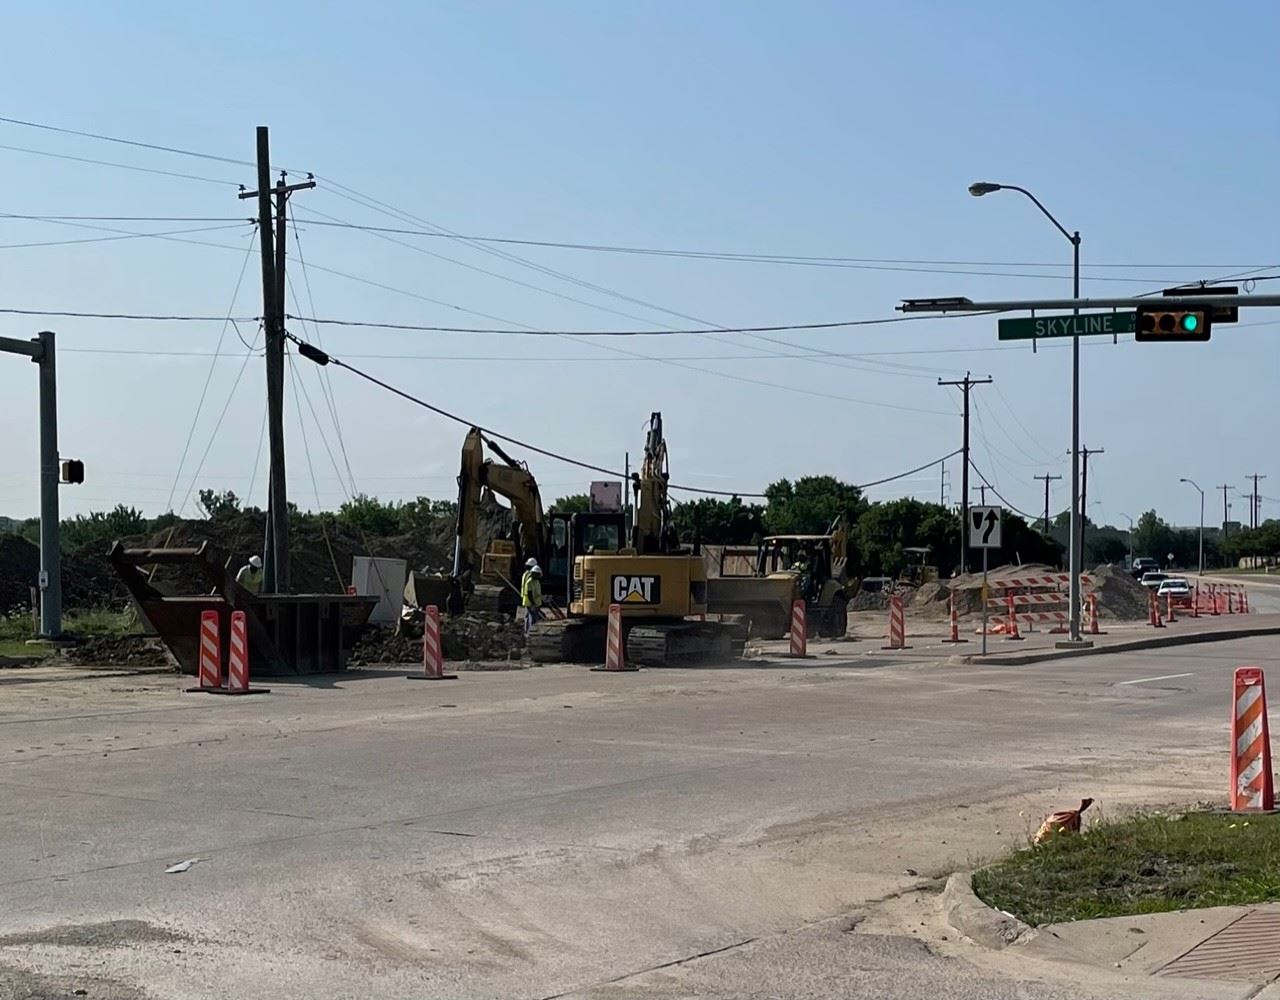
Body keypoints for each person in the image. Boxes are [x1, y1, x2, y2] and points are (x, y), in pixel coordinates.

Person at [520, 562, 543, 633]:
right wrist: (532, 604)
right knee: (532, 618)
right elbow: (529, 593)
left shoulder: (536, 581)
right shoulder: (529, 582)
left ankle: (528, 630)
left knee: (530, 617)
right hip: (530, 603)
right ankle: (531, 631)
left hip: (535, 603)